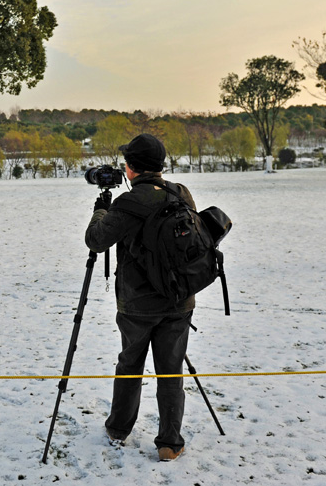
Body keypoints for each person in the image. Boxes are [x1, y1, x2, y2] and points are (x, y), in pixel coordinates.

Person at [85, 133, 196, 462]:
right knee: (171, 369)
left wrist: (100, 209)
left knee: (130, 364)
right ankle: (169, 444)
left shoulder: (130, 202)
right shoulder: (181, 193)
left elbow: (96, 239)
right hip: (179, 299)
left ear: (131, 168)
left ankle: (119, 428)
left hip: (137, 306)